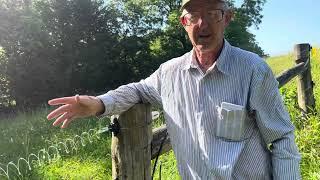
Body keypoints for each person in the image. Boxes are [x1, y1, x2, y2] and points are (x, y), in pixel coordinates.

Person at [47, 0, 301, 179]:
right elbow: (137, 90)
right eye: (193, 15)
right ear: (183, 22)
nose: (203, 24)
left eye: (213, 13)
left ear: (227, 18)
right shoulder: (169, 73)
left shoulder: (253, 69)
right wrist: (98, 103)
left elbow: (281, 138)